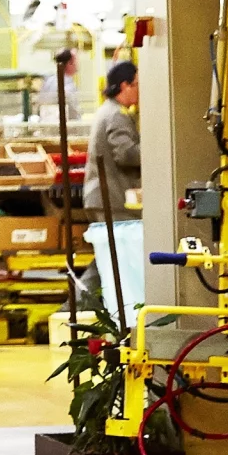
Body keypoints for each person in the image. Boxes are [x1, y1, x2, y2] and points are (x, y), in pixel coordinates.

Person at [83, 61, 144, 317]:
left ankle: (78, 307)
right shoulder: (116, 115)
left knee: (106, 260)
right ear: (124, 86)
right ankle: (79, 307)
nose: (140, 91)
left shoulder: (109, 111)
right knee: (116, 260)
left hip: (107, 197)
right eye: (138, 85)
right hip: (113, 199)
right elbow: (126, 154)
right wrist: (159, 144)